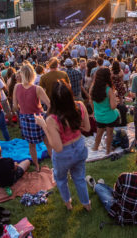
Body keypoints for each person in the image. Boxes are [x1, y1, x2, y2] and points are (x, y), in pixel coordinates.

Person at [35, 79, 91, 211]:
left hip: (64, 154)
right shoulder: (80, 106)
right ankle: (86, 205)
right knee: (79, 178)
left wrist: (44, 126)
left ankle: (68, 204)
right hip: (79, 147)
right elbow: (87, 128)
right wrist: (73, 125)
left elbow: (58, 147)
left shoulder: (51, 119)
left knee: (61, 180)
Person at [88, 148, 137, 225]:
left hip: (121, 215)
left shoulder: (125, 177)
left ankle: (98, 186)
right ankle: (101, 185)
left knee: (99, 188)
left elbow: (116, 195)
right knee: (109, 189)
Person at [13, 63, 51, 171]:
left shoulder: (17, 86)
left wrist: (23, 108)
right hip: (37, 118)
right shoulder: (37, 88)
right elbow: (50, 104)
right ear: (32, 74)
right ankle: (55, 164)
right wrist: (45, 114)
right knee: (47, 142)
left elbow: (15, 106)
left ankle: (37, 168)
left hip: (24, 118)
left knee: (31, 145)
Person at [90, 67, 120, 154]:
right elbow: (113, 106)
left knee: (99, 132)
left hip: (99, 116)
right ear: (107, 77)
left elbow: (91, 102)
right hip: (110, 117)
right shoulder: (109, 90)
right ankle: (108, 150)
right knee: (109, 134)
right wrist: (115, 99)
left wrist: (95, 111)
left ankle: (95, 147)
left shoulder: (92, 88)